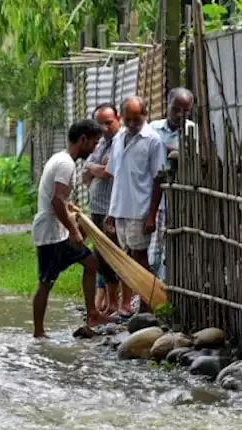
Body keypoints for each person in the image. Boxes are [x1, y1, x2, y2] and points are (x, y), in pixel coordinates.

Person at [32, 119, 110, 338]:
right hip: (50, 233)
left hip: (55, 231)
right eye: (93, 143)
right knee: (45, 283)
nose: (95, 148)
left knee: (91, 262)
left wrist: (72, 213)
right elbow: (56, 201)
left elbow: (60, 200)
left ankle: (92, 313)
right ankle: (38, 333)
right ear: (82, 139)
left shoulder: (62, 159)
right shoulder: (65, 163)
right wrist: (74, 231)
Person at [104, 96, 168, 313]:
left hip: (140, 210)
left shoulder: (153, 141)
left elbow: (159, 180)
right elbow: (117, 177)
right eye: (128, 119)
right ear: (121, 118)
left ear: (145, 116)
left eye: (136, 120)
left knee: (140, 258)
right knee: (127, 257)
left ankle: (147, 305)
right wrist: (111, 212)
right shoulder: (119, 138)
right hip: (121, 209)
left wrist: (151, 216)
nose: (131, 124)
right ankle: (132, 305)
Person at [147, 87, 196, 282]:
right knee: (154, 247)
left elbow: (195, 158)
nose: (180, 115)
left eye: (185, 110)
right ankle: (153, 286)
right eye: (176, 109)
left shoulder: (193, 130)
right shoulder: (153, 129)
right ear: (167, 105)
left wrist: (166, 149)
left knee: (176, 246)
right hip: (155, 199)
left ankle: (170, 284)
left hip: (182, 199)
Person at [82, 102, 124, 317]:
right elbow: (84, 176)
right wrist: (92, 168)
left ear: (118, 120)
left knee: (112, 256)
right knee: (100, 257)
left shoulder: (120, 142)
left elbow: (109, 172)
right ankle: (110, 302)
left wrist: (92, 168)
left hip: (112, 210)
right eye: (100, 125)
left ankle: (116, 303)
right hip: (97, 207)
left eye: (109, 123)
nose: (105, 128)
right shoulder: (100, 144)